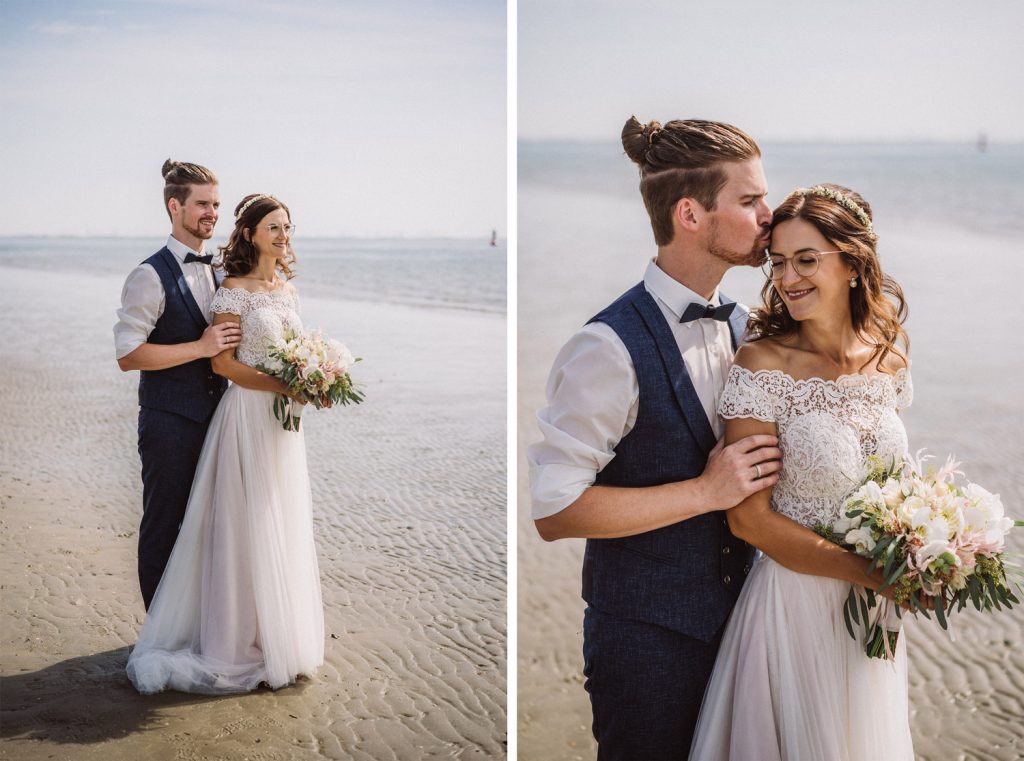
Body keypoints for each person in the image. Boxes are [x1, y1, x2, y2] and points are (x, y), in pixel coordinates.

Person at [527, 116, 783, 759]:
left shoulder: (749, 328)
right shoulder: (605, 348)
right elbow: (555, 511)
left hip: (748, 631)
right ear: (690, 214)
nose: (769, 216)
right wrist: (704, 492)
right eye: (750, 200)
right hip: (646, 649)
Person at [689, 184, 914, 760]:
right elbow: (749, 521)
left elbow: (898, 490)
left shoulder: (889, 357)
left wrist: (928, 547)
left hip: (872, 616)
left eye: (807, 260)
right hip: (794, 608)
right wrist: (874, 574)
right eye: (779, 261)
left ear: (854, 264)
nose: (788, 278)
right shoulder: (762, 363)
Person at [126, 194, 324, 694]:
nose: (283, 235)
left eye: (288, 227)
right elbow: (223, 364)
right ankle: (223, 639)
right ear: (251, 234)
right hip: (245, 417)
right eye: (273, 227)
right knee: (238, 526)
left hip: (283, 427)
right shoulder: (232, 289)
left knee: (278, 520)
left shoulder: (289, 291)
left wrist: (315, 379)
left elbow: (297, 353)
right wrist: (285, 386)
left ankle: (273, 634)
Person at [114, 160, 240, 611]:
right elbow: (128, 355)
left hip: (218, 421)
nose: (212, 213)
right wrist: (200, 347)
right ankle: (157, 632)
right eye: (202, 204)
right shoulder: (148, 275)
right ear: (175, 206)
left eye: (216, 204)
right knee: (164, 525)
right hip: (168, 422)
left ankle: (194, 624)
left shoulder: (220, 270)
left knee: (208, 527)